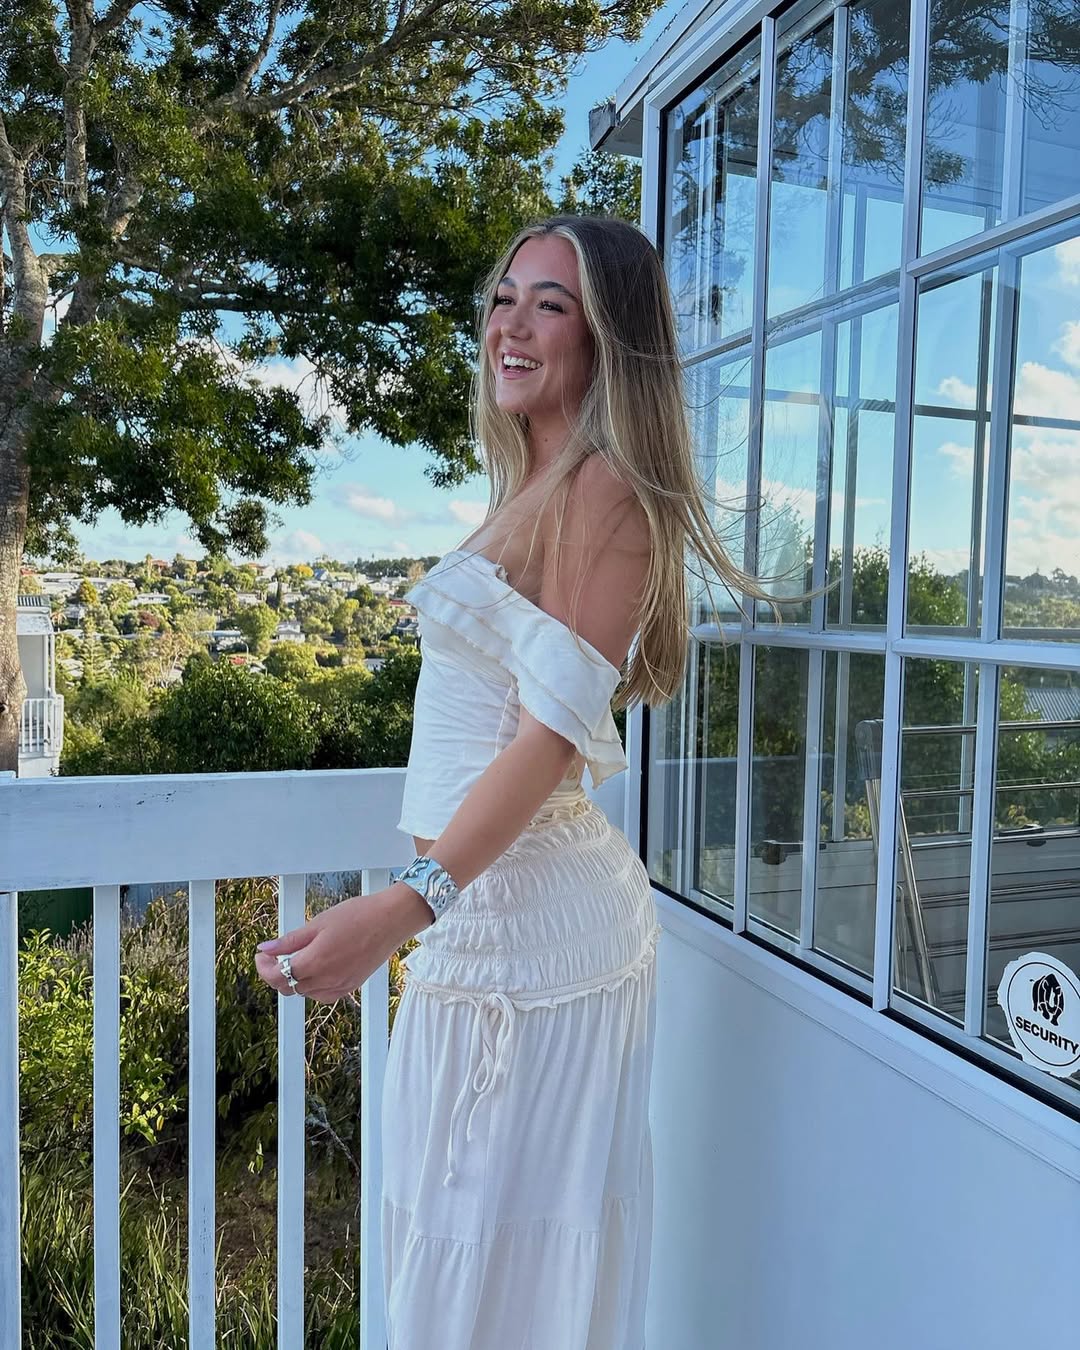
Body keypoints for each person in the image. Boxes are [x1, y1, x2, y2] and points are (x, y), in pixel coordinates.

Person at [254, 214, 769, 1348]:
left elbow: (544, 744)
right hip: (485, 922)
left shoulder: (605, 493)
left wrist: (404, 906)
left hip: (533, 941)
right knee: (463, 1259)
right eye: (504, 298)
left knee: (498, 1277)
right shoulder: (533, 487)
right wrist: (424, 907)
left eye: (552, 304)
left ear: (607, 339)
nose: (513, 325)